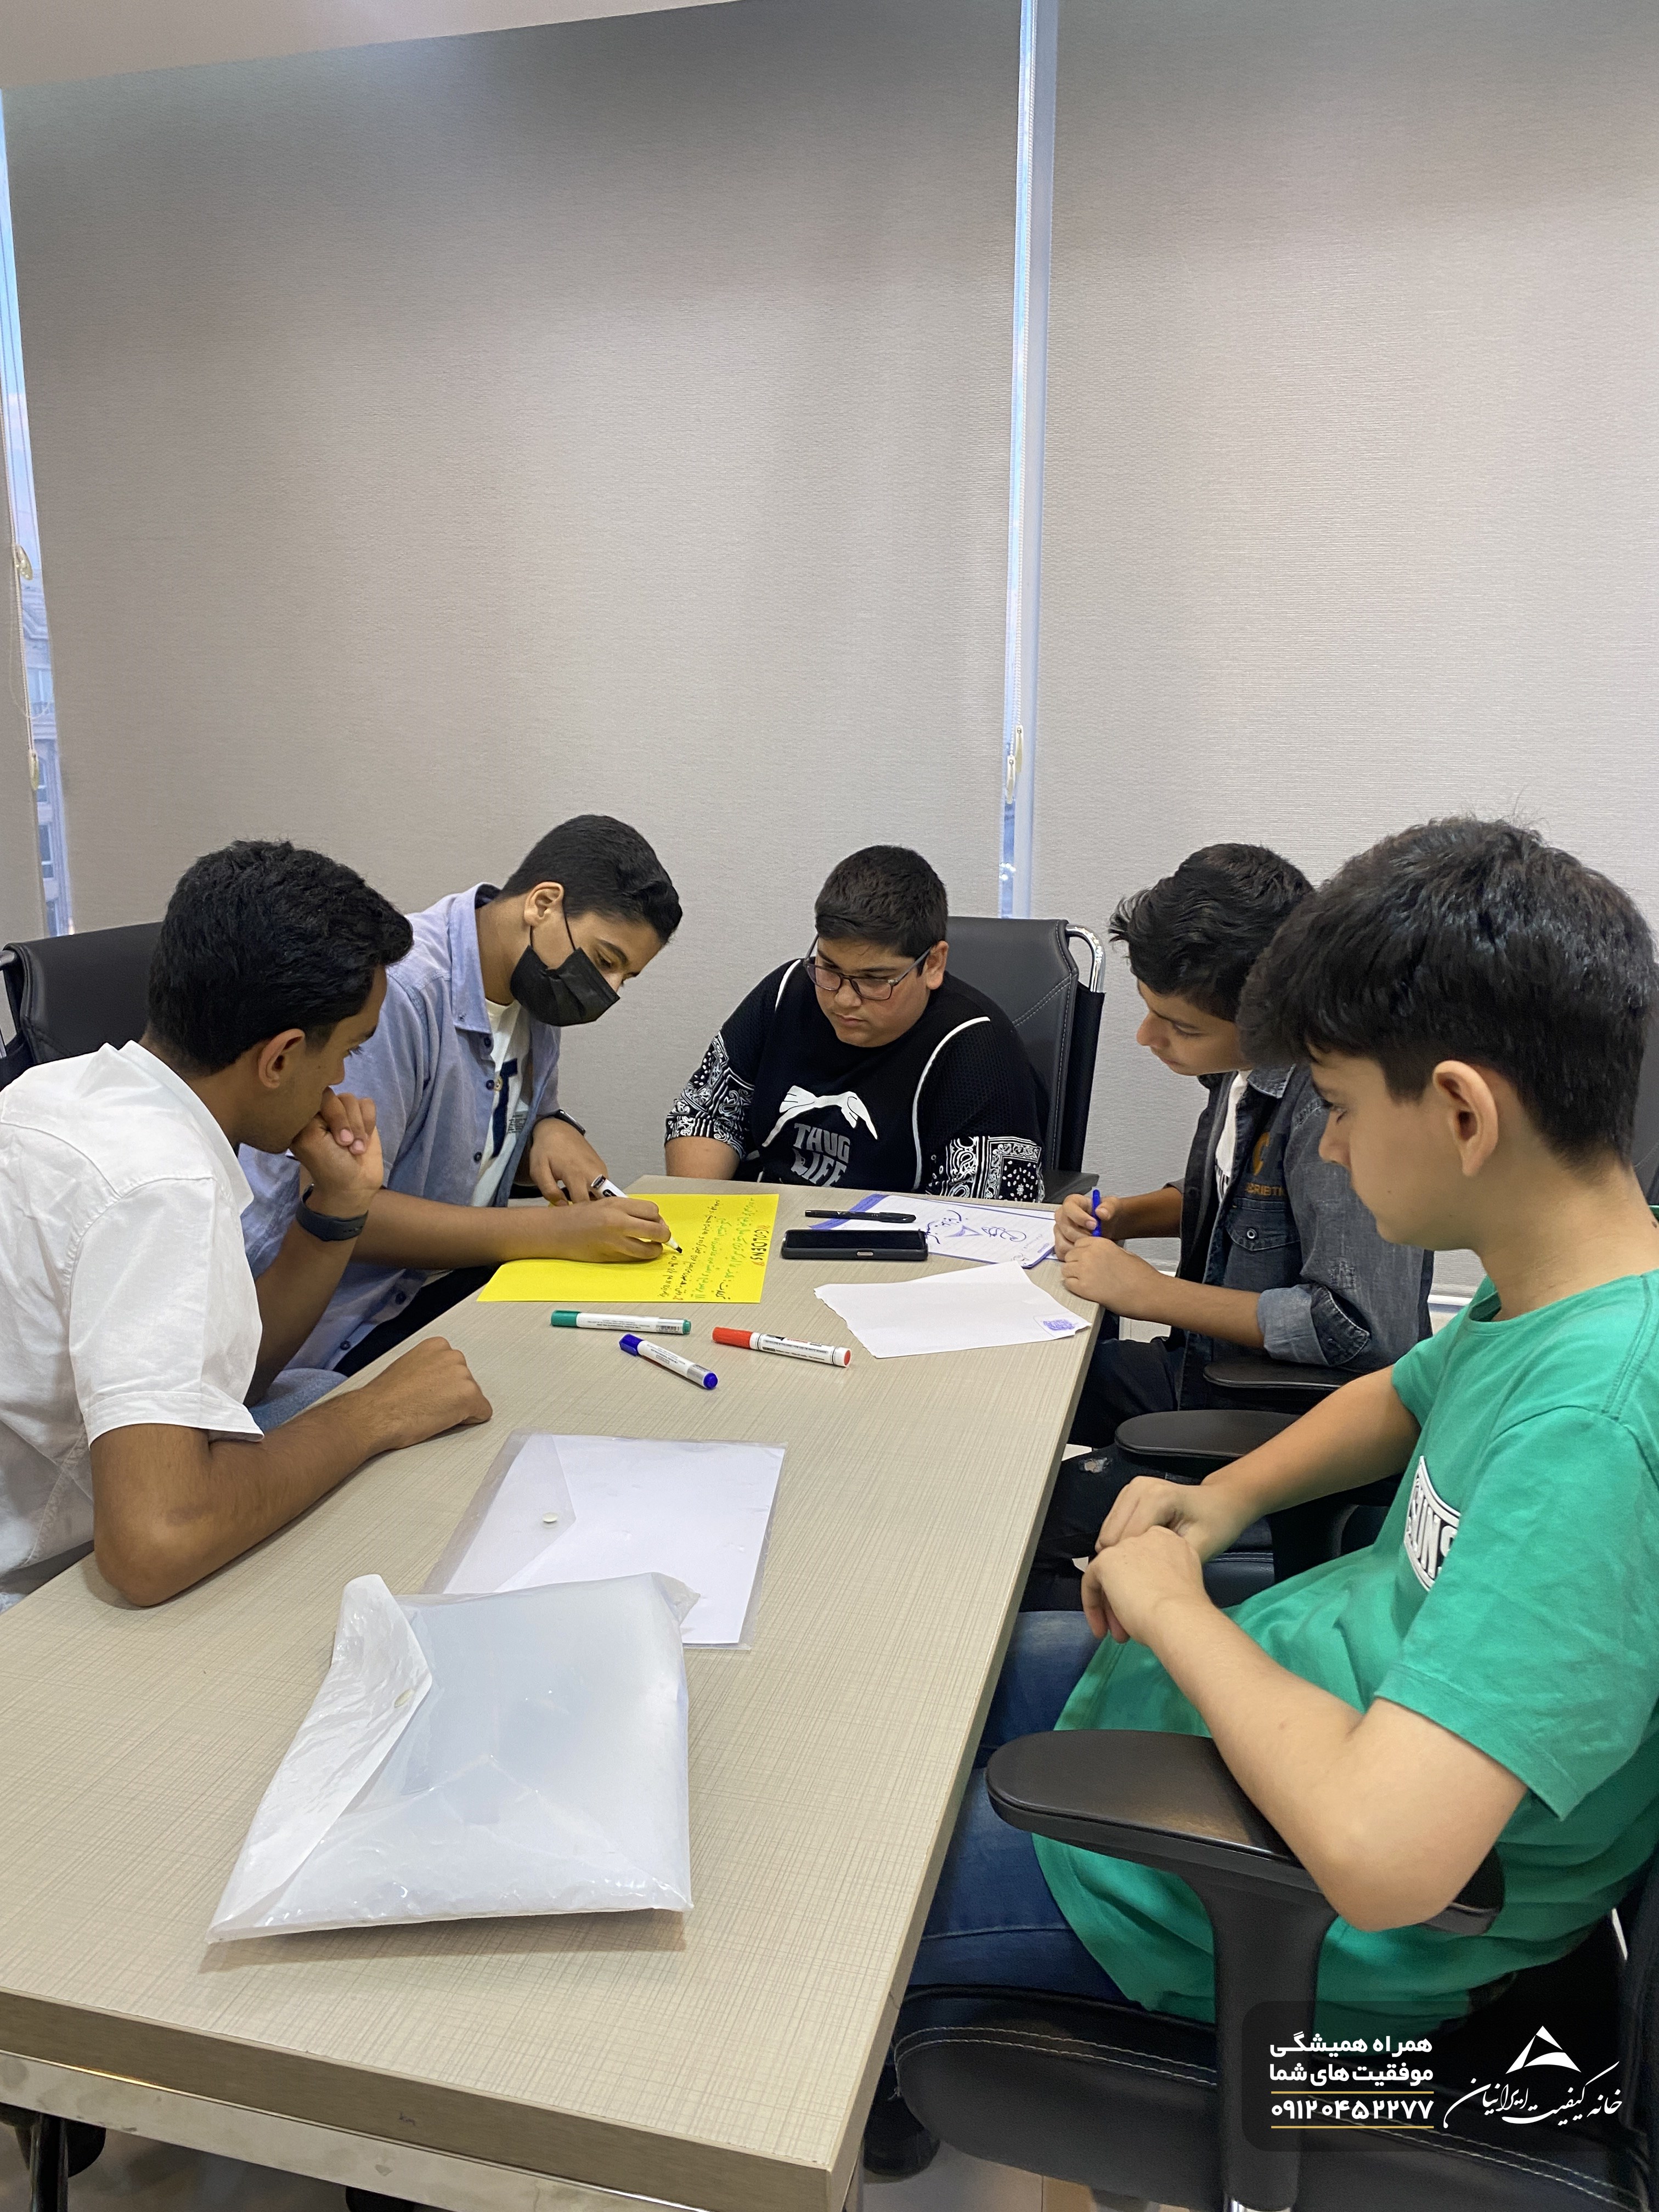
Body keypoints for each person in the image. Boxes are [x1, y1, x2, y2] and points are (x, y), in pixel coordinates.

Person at [868, 818, 1659, 2177]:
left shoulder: (1595, 1431)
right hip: (1267, 1721)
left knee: (856, 1888)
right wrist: (1225, 1501)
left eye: (1339, 1107)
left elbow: (1383, 1855)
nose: (1329, 1151)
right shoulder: (1563, 1292)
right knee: (923, 1688)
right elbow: (1402, 1391)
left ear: (1463, 1112)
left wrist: (1178, 1608)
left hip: (1324, 1934)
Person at [0, 840, 492, 1612]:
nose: (341, 1082)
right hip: (37, 1584)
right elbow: (155, 1542)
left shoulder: (55, 1090)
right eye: (347, 1052)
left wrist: (337, 1209)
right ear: (281, 1058)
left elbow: (228, 1378)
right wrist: (377, 1414)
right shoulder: (164, 1186)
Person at [1031, 843, 1430, 1596]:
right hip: (1202, 1370)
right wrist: (1126, 1217)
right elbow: (1238, 1201)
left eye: (1177, 1026)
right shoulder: (1244, 1072)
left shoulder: (1328, 1115)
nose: (1148, 1039)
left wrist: (1150, 1294)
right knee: (1029, 1395)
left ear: (1268, 1018)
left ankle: (1082, 1648)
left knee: (1030, 1516)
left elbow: (1355, 1330)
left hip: (1280, 1413)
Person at [241, 815, 683, 1381]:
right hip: (333, 1325)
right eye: (604, 961)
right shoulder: (401, 992)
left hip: (450, 1283)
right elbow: (339, 1205)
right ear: (543, 904)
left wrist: (549, 1129)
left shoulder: (535, 990)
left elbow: (482, 1133)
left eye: (627, 977)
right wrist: (555, 1232)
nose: (609, 990)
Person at [663, 845, 1043, 1200]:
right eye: (829, 967)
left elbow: (984, 1216)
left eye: (874, 980)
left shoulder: (979, 1051)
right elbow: (705, 1115)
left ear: (932, 965)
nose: (843, 999)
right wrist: (699, 1214)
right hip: (766, 1223)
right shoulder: (787, 993)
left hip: (894, 1238)